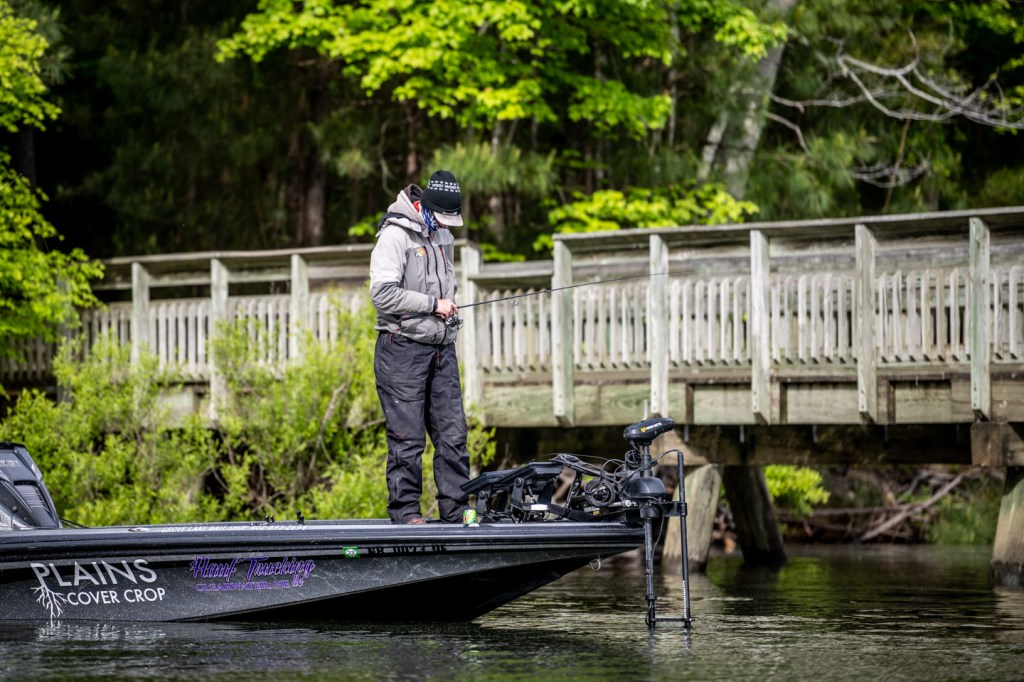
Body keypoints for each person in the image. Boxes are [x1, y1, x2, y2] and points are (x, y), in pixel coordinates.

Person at [369, 169, 471, 524]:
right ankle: (405, 513)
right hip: (401, 350)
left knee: (453, 434)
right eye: (441, 218)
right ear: (425, 207)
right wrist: (432, 305)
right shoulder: (394, 236)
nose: (445, 226)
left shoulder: (443, 235)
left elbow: (444, 286)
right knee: (407, 438)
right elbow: (381, 294)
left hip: (441, 348)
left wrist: (448, 309)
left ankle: (457, 511)